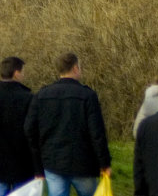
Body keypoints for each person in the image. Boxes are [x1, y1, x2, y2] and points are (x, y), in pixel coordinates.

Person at [24, 52, 111, 196]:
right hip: (83, 162)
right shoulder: (87, 96)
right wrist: (104, 163)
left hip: (52, 161)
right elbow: (97, 134)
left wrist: (38, 163)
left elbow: (29, 130)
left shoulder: (42, 95)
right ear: (75, 68)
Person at [0, 56, 34, 194]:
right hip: (23, 162)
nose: (24, 75)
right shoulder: (28, 97)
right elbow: (32, 131)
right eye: (23, 71)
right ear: (16, 73)